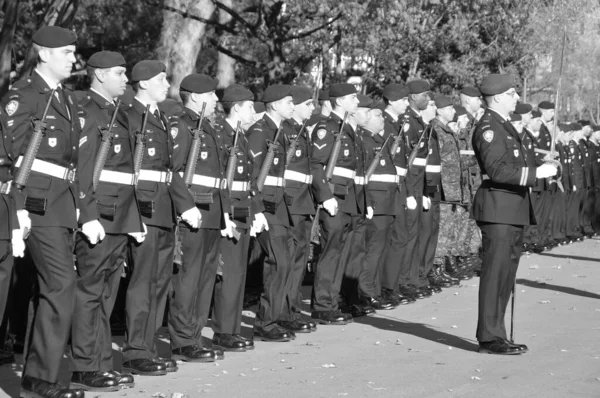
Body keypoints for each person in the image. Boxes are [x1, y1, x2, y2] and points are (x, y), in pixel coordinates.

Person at [2, 26, 85, 397]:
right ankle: (40, 378)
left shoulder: (64, 98)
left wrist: (83, 207)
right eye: (66, 52)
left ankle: (39, 374)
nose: (73, 58)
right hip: (35, 202)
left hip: (61, 203)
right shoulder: (23, 95)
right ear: (45, 54)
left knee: (50, 288)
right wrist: (17, 209)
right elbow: (9, 159)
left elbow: (71, 162)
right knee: (60, 282)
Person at [121, 60, 200, 375]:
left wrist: (186, 204)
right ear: (143, 83)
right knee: (142, 284)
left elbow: (169, 172)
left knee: (158, 284)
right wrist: (134, 213)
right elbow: (127, 169)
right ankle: (135, 351)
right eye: (160, 78)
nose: (167, 82)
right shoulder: (129, 117)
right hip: (144, 209)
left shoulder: (161, 119)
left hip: (164, 211)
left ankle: (148, 346)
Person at [70, 50, 143, 391]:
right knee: (90, 291)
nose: (125, 79)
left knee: (107, 293)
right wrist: (87, 215)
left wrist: (133, 218)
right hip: (99, 213)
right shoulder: (86, 111)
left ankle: (100, 362)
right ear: (99, 75)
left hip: (120, 214)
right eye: (119, 73)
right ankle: (85, 366)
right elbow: (84, 168)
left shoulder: (118, 112)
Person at [472, 74, 558, 355]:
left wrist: (539, 164)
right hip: (499, 209)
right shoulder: (489, 127)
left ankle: (498, 334)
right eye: (511, 93)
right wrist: (537, 174)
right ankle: (489, 337)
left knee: (506, 276)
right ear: (497, 97)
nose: (516, 98)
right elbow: (497, 170)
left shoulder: (504, 126)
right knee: (496, 274)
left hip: (512, 209)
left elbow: (512, 163)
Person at [168, 73, 234, 362]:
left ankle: (194, 337)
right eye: (210, 95)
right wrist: (185, 206)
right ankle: (183, 341)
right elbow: (171, 170)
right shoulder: (182, 125)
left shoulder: (208, 127)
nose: (217, 100)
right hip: (193, 212)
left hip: (212, 212)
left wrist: (226, 213)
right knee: (188, 279)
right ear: (195, 97)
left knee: (205, 278)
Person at [211, 84, 267, 351]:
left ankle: (231, 329)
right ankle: (223, 331)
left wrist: (255, 211)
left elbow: (248, 181)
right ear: (236, 107)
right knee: (229, 273)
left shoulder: (240, 136)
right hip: (230, 210)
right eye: (249, 106)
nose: (254, 112)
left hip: (242, 208)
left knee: (238, 273)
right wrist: (225, 214)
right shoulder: (221, 134)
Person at [247, 84, 296, 342]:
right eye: (289, 101)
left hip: (279, 206)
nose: (292, 105)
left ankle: (272, 319)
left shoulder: (280, 131)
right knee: (279, 262)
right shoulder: (259, 132)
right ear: (275, 104)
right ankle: (266, 322)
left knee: (282, 263)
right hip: (265, 207)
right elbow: (250, 174)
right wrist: (256, 210)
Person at [309, 83, 360, 325]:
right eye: (353, 97)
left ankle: (331, 300)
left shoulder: (345, 127)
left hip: (346, 196)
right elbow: (316, 164)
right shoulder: (327, 127)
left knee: (340, 252)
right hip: (333, 196)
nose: (357, 102)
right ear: (339, 101)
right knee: (330, 252)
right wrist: (324, 196)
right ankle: (322, 304)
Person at [279, 86, 318, 332]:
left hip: (304, 202)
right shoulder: (285, 130)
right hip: (291, 202)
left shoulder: (301, 130)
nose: (312, 108)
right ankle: (283, 312)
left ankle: (291, 311)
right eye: (308, 104)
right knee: (289, 260)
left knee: (299, 261)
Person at [380, 83, 415, 306]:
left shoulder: (397, 124)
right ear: (392, 101)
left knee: (400, 237)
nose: (406, 103)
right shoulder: (383, 123)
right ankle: (384, 287)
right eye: (403, 100)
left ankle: (391, 285)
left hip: (400, 185)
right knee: (389, 239)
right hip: (387, 187)